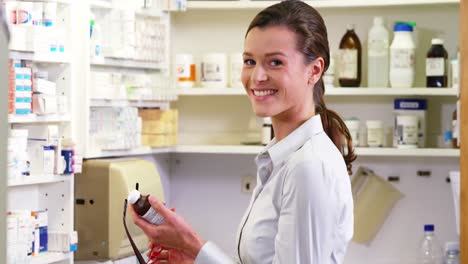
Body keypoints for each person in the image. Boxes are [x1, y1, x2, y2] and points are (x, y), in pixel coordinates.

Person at [131, 0, 357, 263]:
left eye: (275, 62)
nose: (257, 76)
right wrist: (194, 255)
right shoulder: (281, 159)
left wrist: (192, 243)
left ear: (314, 70)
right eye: (250, 61)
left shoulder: (308, 166)